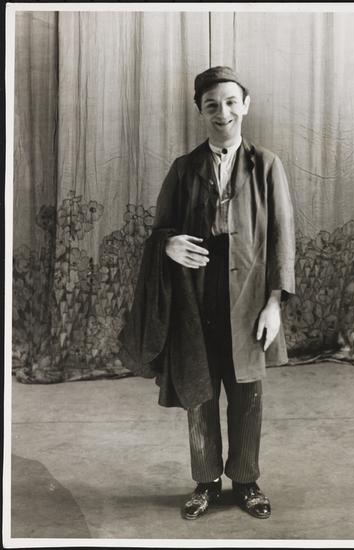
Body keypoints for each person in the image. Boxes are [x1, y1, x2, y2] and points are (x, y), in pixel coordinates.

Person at [118, 66, 295, 521]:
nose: (223, 112)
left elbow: (282, 238)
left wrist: (274, 302)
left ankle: (247, 481)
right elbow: (160, 230)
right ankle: (206, 482)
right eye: (212, 104)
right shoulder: (183, 169)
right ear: (200, 110)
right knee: (199, 391)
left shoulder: (267, 165)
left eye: (231, 102)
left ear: (246, 105)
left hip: (248, 299)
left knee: (247, 395)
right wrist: (169, 245)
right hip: (194, 299)